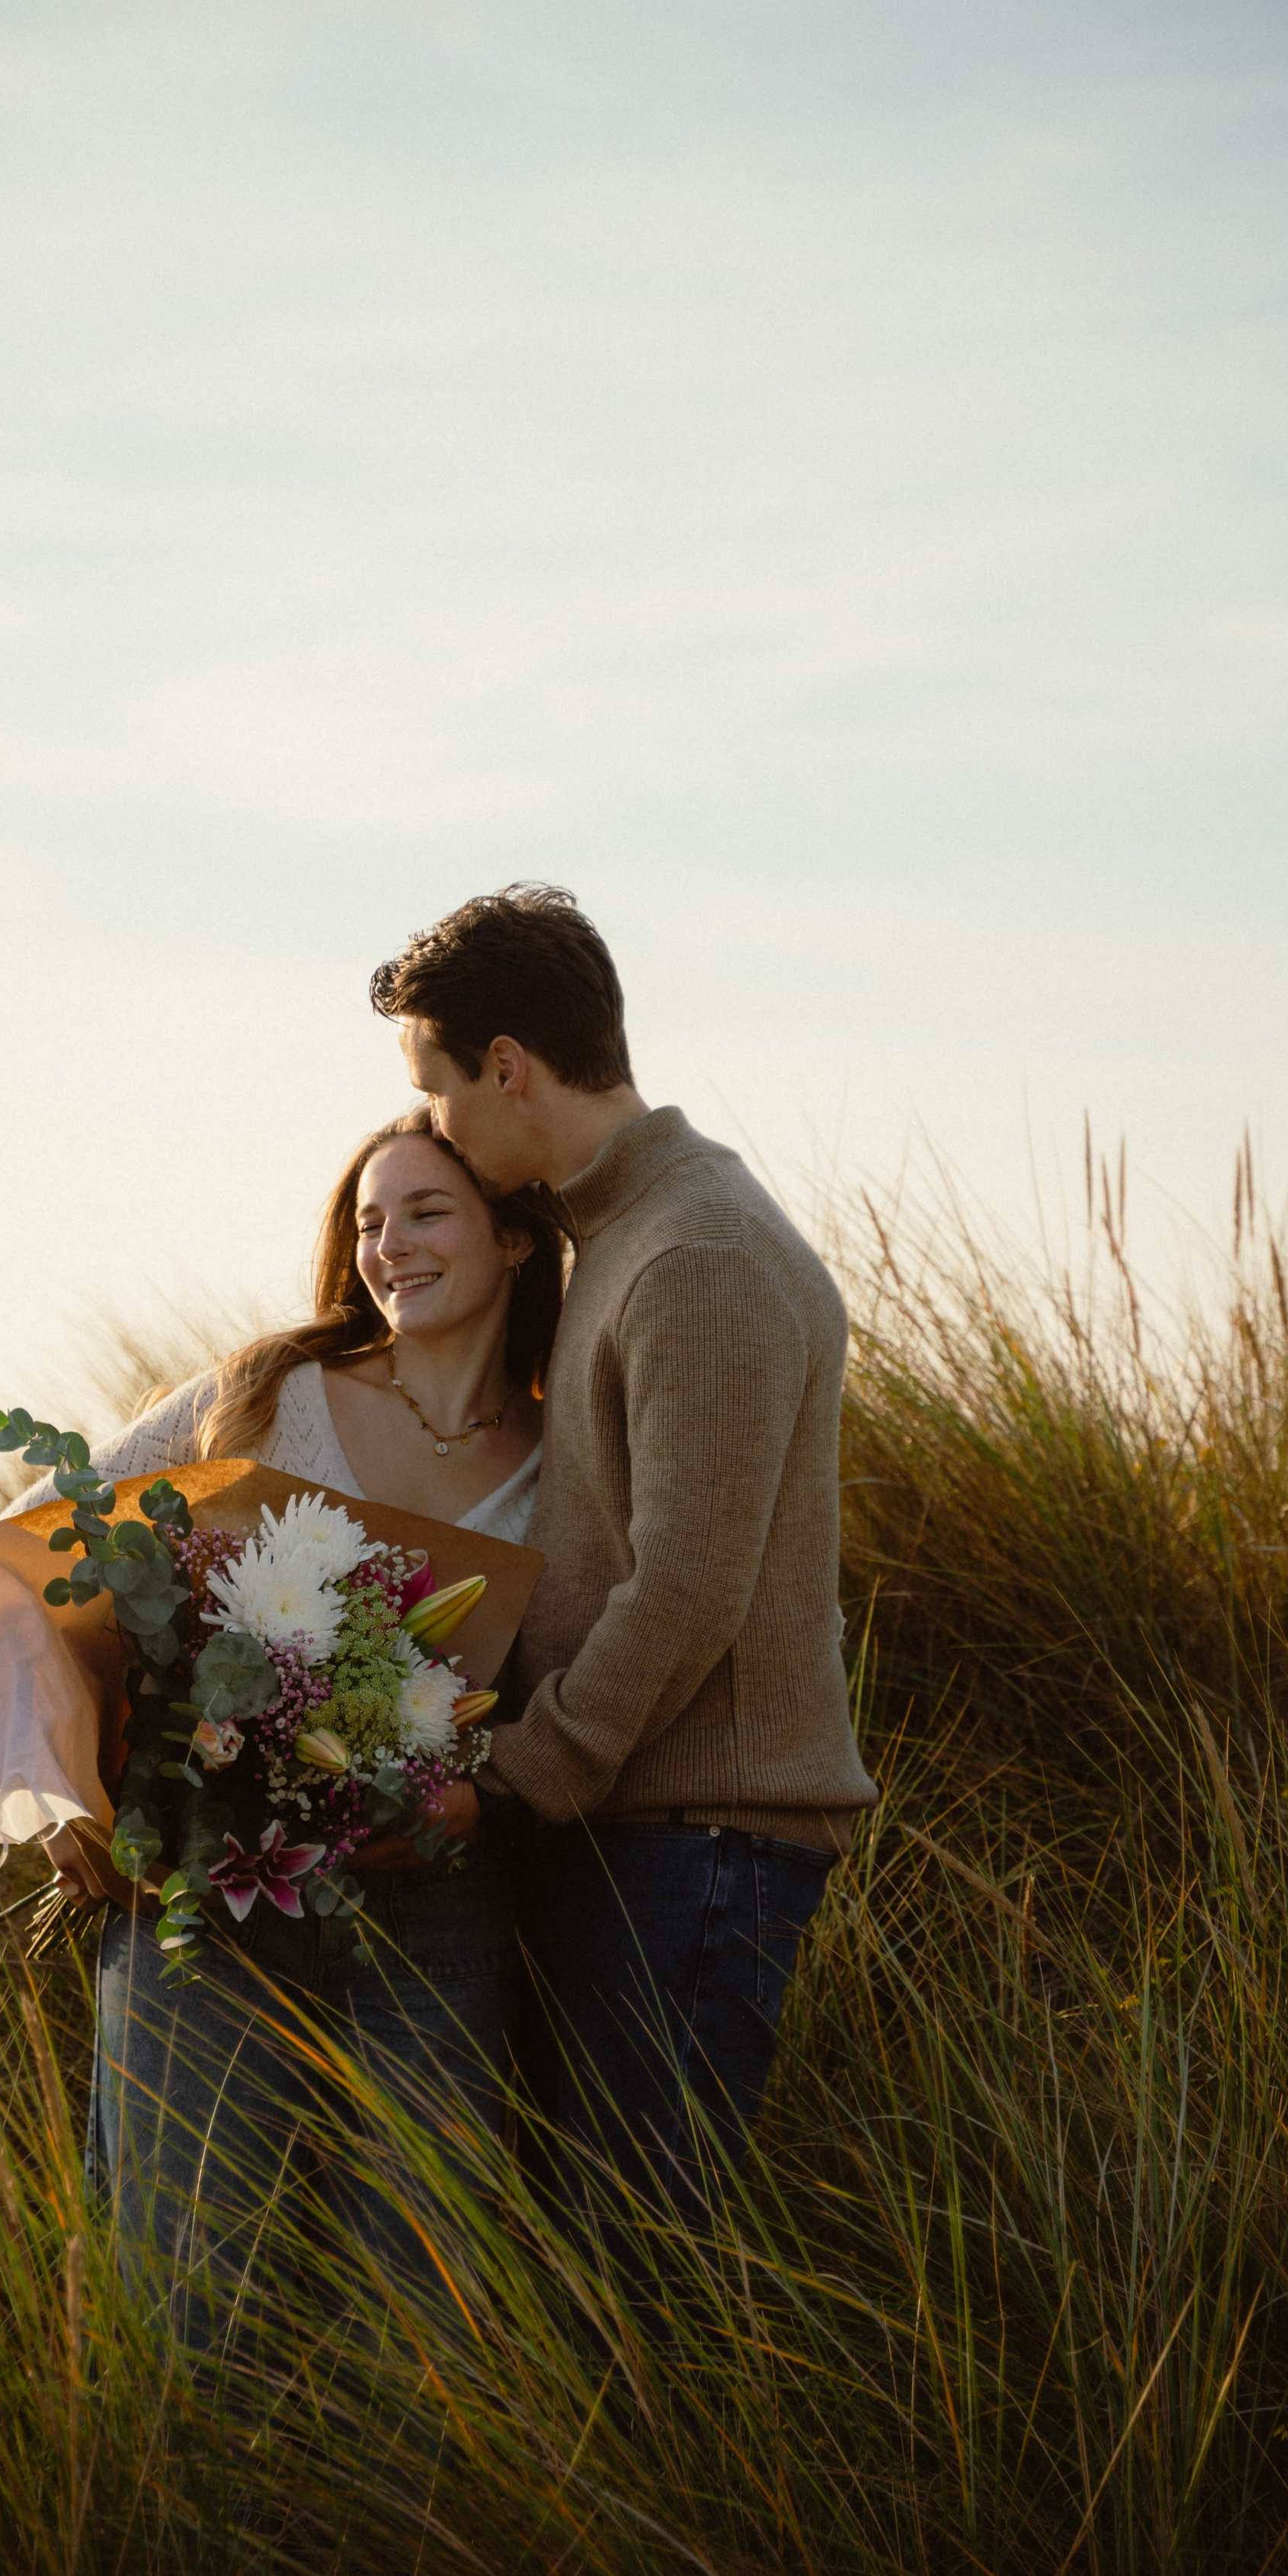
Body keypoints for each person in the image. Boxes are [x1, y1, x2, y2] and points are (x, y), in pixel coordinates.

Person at [368, 884, 878, 2225]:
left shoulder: (697, 1251)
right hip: (639, 1829)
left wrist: (516, 1778)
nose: (436, 1128)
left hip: (697, 1844)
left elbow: (689, 1590)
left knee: (636, 2271)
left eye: (436, 1090)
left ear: (510, 1067)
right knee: (592, 2256)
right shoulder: (627, 1231)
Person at [2, 1113, 563, 2320]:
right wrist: (50, 1780)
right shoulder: (271, 1394)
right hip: (204, 1882)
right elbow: (35, 1543)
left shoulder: (562, 1456)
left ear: (516, 1238)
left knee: (427, 2290)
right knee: (186, 2273)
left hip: (430, 1894)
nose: (390, 1246)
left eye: (426, 1212)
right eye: (368, 1222)